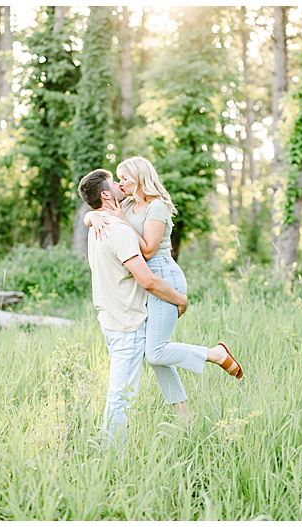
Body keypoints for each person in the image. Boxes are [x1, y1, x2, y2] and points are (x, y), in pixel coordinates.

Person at [88, 157, 243, 423]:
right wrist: (91, 216)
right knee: (155, 353)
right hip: (144, 279)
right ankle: (184, 416)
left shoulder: (155, 207)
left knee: (156, 351)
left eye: (124, 178)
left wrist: (122, 220)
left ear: (139, 178)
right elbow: (95, 212)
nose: (120, 183)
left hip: (162, 275)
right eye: (118, 179)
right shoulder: (126, 203)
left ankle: (215, 354)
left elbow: (147, 250)